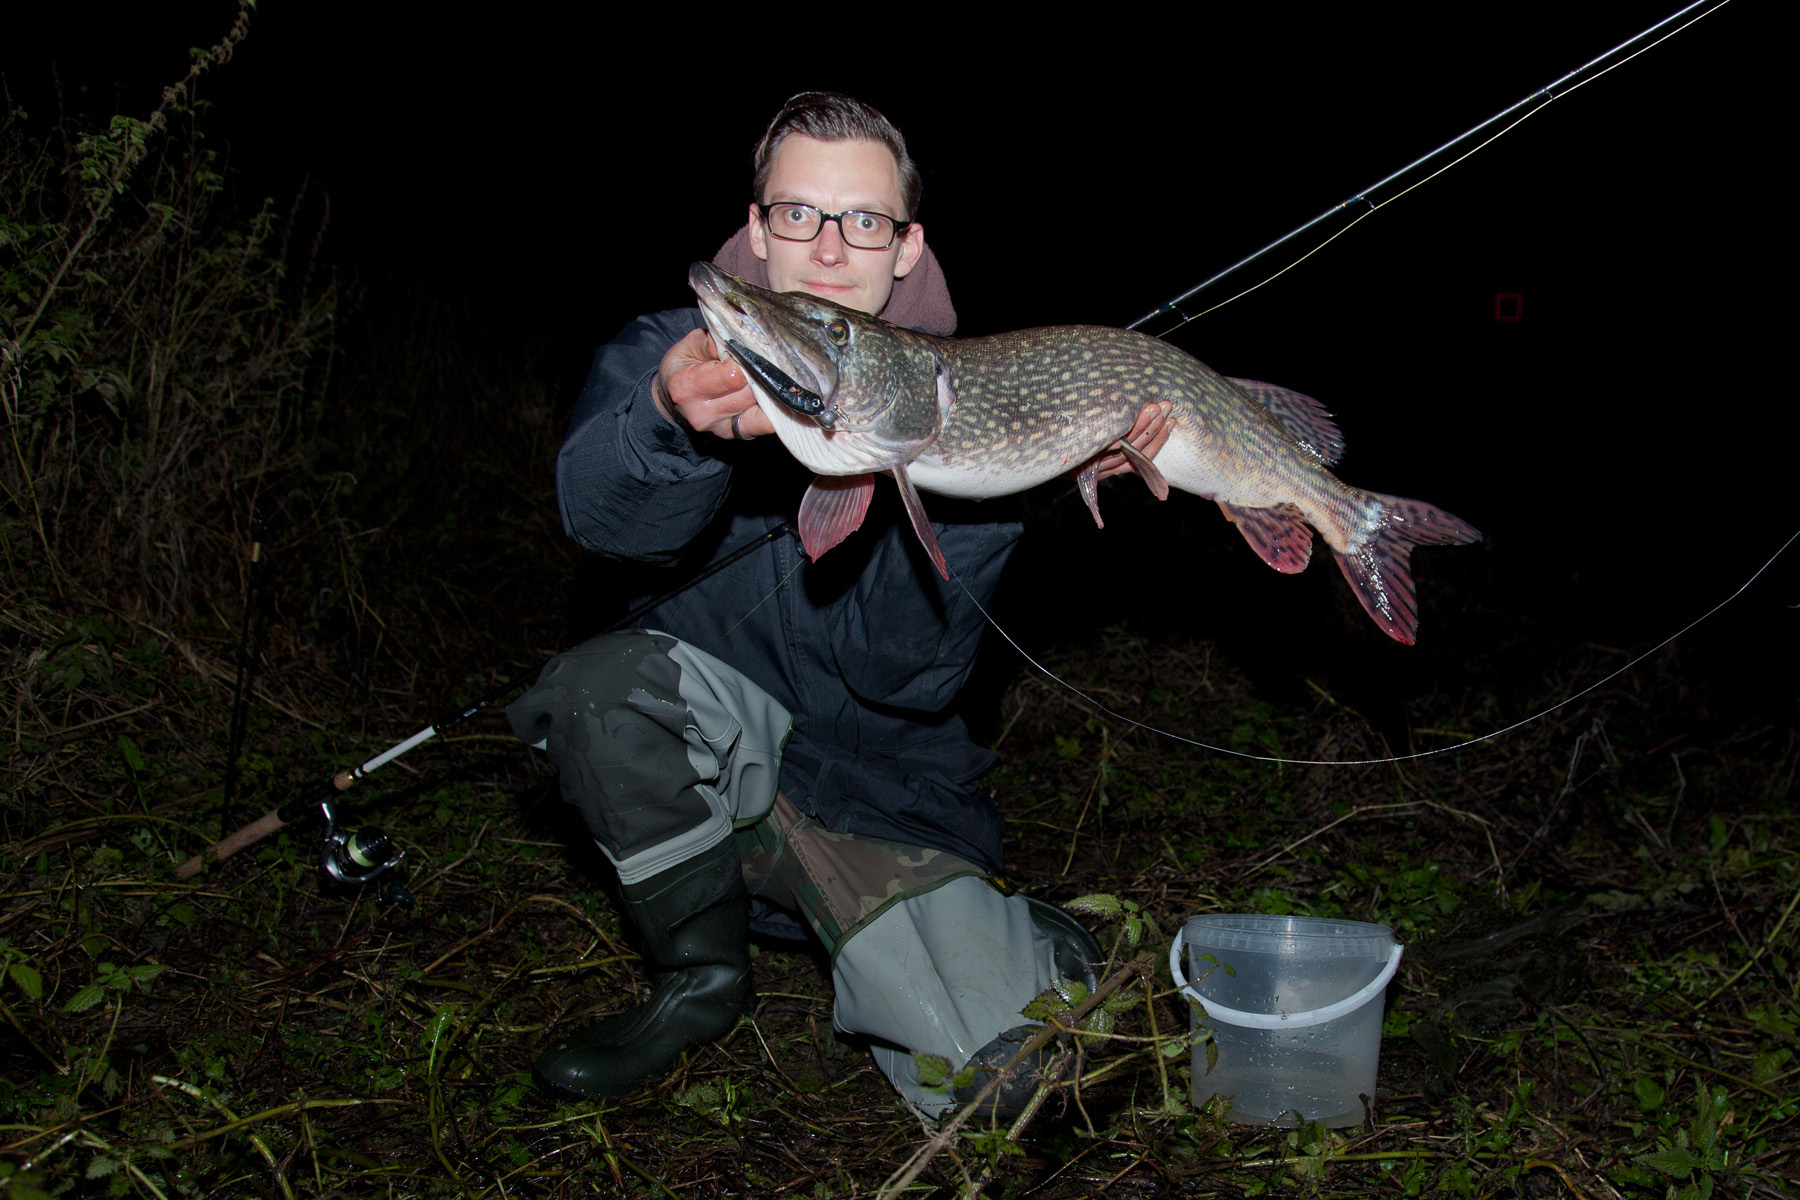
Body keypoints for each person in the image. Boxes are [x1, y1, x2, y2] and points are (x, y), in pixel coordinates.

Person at [509, 92, 1170, 1117]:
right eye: (798, 213)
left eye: (862, 220)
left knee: (1010, 1091)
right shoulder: (673, 351)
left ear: (906, 247)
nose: (828, 247)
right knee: (597, 690)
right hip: (709, 765)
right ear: (756, 223)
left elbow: (900, 675)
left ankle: (1024, 941)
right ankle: (698, 983)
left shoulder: (960, 390)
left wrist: (1004, 482)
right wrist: (668, 427)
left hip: (882, 798)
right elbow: (604, 523)